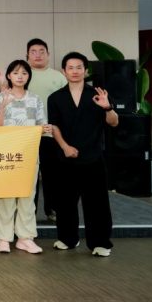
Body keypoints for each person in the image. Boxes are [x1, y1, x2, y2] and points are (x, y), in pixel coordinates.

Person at [48, 52, 118, 257]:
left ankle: (100, 243)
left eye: (79, 67)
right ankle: (68, 239)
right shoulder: (55, 97)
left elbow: (114, 122)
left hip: (93, 157)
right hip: (66, 157)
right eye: (70, 68)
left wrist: (107, 107)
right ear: (64, 71)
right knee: (65, 203)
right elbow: (54, 126)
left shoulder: (98, 95)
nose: (75, 71)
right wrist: (64, 147)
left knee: (97, 204)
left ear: (86, 71)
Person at [0, 60, 51, 254]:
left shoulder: (35, 98)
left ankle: (25, 238)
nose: (20, 76)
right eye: (16, 72)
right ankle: (3, 238)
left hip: (29, 153)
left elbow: (42, 125)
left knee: (27, 196)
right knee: (5, 196)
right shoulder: (1, 97)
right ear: (9, 76)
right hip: (6, 153)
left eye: (24, 73)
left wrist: (44, 128)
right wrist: (3, 106)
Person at [4, 38, 67, 224]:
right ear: (27, 55)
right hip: (25, 137)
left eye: (41, 51)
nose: (38, 55)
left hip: (50, 133)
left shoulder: (59, 77)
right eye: (33, 51)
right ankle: (27, 213)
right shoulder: (23, 75)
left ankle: (52, 209)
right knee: (27, 175)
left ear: (48, 54)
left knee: (51, 174)